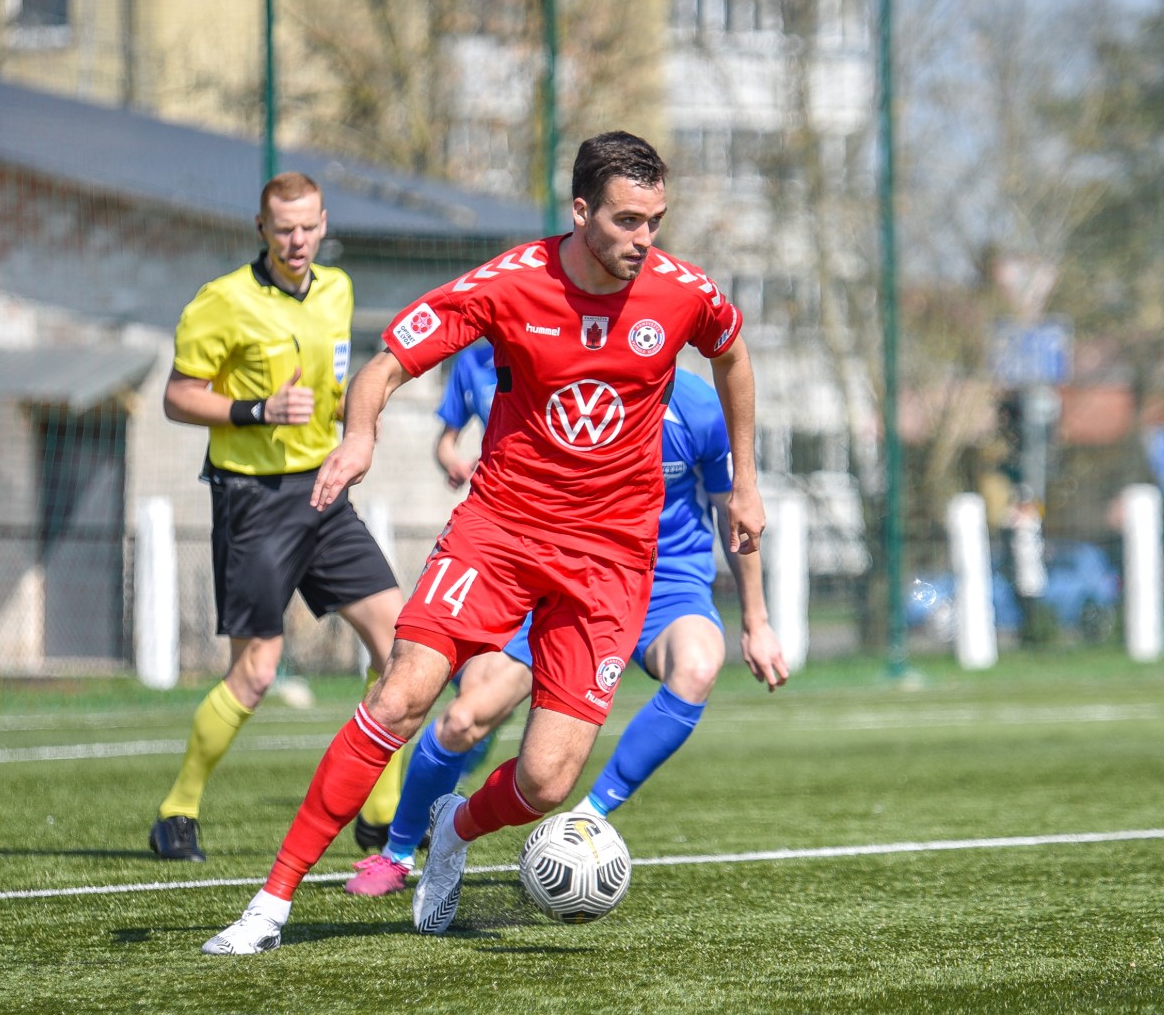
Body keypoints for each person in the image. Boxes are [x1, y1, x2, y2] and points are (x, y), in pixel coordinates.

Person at [202, 130, 763, 955]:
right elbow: (386, 362)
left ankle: (455, 830)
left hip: (610, 561)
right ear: (581, 211)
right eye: (627, 221)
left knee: (547, 781)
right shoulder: (510, 283)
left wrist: (744, 481)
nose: (645, 239)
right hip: (500, 532)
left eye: (656, 221)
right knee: (402, 696)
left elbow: (733, 356)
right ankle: (271, 903)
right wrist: (359, 436)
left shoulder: (682, 292)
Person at [345, 366, 787, 896]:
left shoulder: (699, 408)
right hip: (568, 578)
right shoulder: (568, 391)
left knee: (697, 665)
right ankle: (396, 853)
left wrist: (756, 622)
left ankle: (585, 822)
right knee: (463, 719)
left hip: (666, 584)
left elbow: (734, 515)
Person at [148, 171, 406, 863]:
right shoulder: (222, 301)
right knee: (257, 672)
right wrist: (256, 410)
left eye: (308, 227)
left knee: (403, 647)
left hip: (323, 492)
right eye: (284, 229)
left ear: (324, 225)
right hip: (253, 499)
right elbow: (177, 397)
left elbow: (336, 388)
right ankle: (178, 811)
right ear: (261, 228)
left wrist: (357, 423)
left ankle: (381, 817)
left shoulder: (338, 289)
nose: (297, 241)